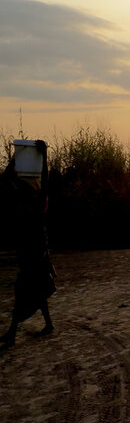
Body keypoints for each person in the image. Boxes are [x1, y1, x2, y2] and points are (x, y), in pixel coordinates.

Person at [1, 140, 57, 349]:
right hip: (34, 253)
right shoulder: (33, 203)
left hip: (34, 254)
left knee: (23, 290)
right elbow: (7, 181)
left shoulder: (34, 204)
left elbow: (43, 180)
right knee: (37, 290)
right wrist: (19, 158)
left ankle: (12, 332)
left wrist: (37, 158)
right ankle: (47, 324)